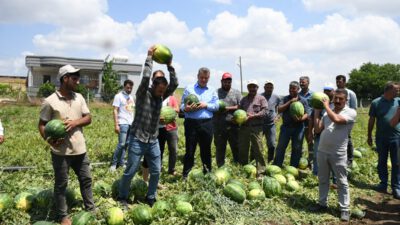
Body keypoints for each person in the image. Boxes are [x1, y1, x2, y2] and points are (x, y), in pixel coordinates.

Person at [117, 46, 178, 207]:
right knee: (131, 170)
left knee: (156, 170)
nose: (161, 94)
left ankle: (150, 197)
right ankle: (122, 196)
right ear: (154, 86)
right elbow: (145, 77)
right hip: (138, 138)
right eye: (159, 90)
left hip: (153, 139)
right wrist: (149, 58)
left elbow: (175, 83)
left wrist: (170, 65)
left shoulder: (161, 94)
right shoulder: (143, 93)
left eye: (163, 91)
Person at [38, 64, 95, 225]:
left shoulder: (80, 97)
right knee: (61, 184)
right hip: (61, 152)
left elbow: (88, 118)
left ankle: (90, 208)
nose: (78, 81)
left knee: (86, 180)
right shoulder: (50, 101)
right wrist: (49, 140)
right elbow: (42, 125)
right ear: (65, 79)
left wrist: (75, 122)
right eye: (75, 78)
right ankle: (62, 215)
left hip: (80, 149)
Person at [311, 88, 357, 222]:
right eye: (335, 98)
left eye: (340, 99)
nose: (337, 101)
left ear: (346, 100)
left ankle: (344, 209)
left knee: (342, 182)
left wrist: (325, 106)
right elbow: (319, 129)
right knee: (323, 179)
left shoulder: (351, 112)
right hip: (322, 150)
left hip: (338, 153)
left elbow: (337, 119)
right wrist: (317, 113)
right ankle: (322, 204)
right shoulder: (328, 111)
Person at [181, 67, 219, 178]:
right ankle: (186, 175)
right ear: (198, 76)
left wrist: (205, 105)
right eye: (202, 77)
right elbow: (182, 105)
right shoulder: (189, 88)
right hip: (191, 123)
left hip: (206, 123)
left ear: (209, 78)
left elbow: (216, 106)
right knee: (190, 150)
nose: (203, 80)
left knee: (206, 150)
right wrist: (186, 108)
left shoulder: (212, 90)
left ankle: (207, 174)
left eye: (206, 78)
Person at [367, 81, 400, 199]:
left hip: (396, 137)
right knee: (382, 161)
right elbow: (371, 120)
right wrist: (369, 135)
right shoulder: (376, 102)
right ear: (389, 90)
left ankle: (396, 187)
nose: (398, 92)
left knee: (396, 163)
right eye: (396, 90)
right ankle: (383, 184)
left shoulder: (398, 101)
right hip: (381, 137)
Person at [273, 81, 310, 167]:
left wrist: (301, 119)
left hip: (299, 128)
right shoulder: (285, 99)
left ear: (298, 89)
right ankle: (277, 165)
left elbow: (307, 113)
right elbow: (279, 109)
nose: (291, 90)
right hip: (286, 127)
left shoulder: (303, 100)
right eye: (290, 88)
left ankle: (293, 167)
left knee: (297, 148)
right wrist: (290, 102)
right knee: (281, 147)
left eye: (294, 88)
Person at [238, 79, 267, 176]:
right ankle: (244, 169)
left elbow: (265, 112)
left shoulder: (261, 99)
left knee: (258, 149)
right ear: (248, 88)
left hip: (256, 128)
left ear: (257, 88)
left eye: (254, 86)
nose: (252, 88)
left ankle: (261, 171)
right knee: (243, 149)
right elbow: (239, 111)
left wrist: (253, 116)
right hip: (244, 128)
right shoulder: (243, 99)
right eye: (250, 86)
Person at [213, 72, 242, 167]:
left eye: (229, 81)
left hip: (234, 125)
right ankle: (220, 166)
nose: (227, 83)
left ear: (231, 82)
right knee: (220, 147)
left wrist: (227, 109)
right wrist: (217, 109)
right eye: (225, 81)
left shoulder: (237, 93)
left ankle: (237, 165)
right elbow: (212, 105)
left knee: (236, 146)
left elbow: (240, 106)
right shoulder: (216, 92)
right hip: (219, 126)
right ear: (221, 81)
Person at [308, 83, 335, 176]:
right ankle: (316, 173)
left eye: (329, 91)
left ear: (333, 92)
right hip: (318, 134)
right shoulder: (318, 104)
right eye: (325, 91)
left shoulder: (334, 105)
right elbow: (311, 118)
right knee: (316, 155)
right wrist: (310, 132)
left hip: (330, 135)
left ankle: (331, 175)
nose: (326, 92)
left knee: (330, 156)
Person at [109, 80, 135, 172]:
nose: (129, 89)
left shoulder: (131, 97)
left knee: (126, 144)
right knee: (121, 144)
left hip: (130, 123)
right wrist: (116, 124)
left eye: (131, 88)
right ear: (124, 87)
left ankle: (121, 163)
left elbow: (131, 111)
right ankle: (113, 164)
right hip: (122, 123)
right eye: (127, 87)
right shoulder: (118, 96)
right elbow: (115, 110)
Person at [336, 75, 357, 167]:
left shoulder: (351, 93)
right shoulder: (335, 92)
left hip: (347, 118)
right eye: (337, 81)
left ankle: (349, 159)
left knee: (347, 138)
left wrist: (351, 119)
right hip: (336, 117)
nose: (338, 83)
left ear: (345, 82)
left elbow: (354, 107)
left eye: (340, 82)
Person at [261, 80, 281, 162]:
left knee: (272, 144)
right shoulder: (259, 96)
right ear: (264, 87)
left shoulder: (277, 97)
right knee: (257, 144)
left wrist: (278, 115)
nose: (269, 89)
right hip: (260, 124)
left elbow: (280, 108)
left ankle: (270, 161)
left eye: (271, 87)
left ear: (273, 88)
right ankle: (253, 160)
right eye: (267, 87)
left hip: (271, 124)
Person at [299, 76, 314, 166]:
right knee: (299, 143)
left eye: (303, 82)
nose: (301, 84)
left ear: (308, 83)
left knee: (310, 142)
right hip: (300, 123)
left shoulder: (313, 95)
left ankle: (311, 161)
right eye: (300, 82)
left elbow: (314, 109)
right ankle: (300, 161)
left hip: (310, 123)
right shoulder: (298, 95)